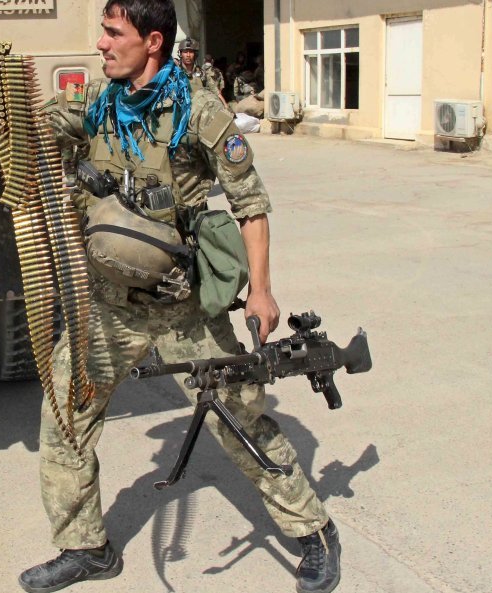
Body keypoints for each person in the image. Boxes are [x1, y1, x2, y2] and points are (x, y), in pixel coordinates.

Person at [19, 1, 341, 592]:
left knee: (237, 419)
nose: (101, 44)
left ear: (153, 41)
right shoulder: (97, 100)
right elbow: (35, 129)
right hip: (109, 305)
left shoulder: (199, 109)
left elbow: (250, 204)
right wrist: (17, 118)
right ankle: (85, 546)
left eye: (113, 33)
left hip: (182, 308)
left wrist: (262, 292)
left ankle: (313, 531)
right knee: (64, 416)